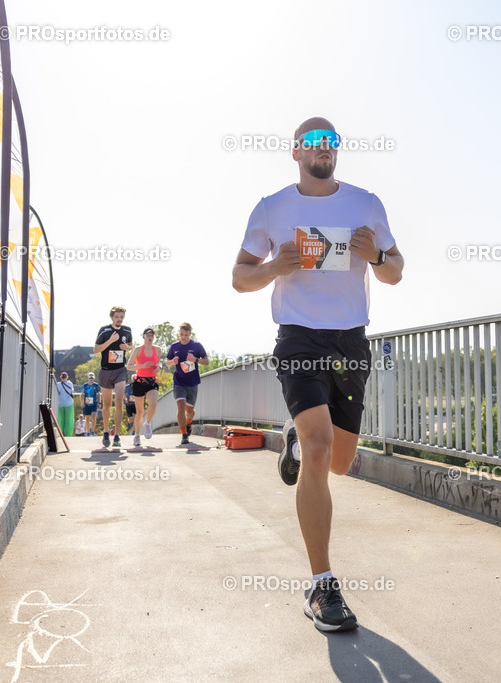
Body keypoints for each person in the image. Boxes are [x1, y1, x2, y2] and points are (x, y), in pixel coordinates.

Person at [231, 117, 404, 633]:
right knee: (322, 445)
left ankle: (295, 440)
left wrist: (377, 257)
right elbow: (239, 277)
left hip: (351, 341)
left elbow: (396, 269)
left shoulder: (366, 203)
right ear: (295, 152)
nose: (323, 148)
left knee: (340, 463)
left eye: (331, 141)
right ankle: (322, 586)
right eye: (313, 141)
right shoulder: (272, 208)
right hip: (300, 337)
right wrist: (272, 269)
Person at [94, 306, 133, 448]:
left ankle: (116, 435)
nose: (119, 319)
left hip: (120, 370)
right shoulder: (104, 330)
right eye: (117, 317)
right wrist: (110, 341)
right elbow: (96, 349)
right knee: (106, 404)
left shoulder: (127, 330)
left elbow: (130, 345)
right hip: (106, 370)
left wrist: (127, 348)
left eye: (121, 317)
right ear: (112, 317)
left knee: (119, 402)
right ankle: (105, 431)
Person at [165, 322, 208, 446]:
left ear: (190, 334)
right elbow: (167, 362)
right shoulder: (174, 346)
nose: (183, 337)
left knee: (190, 411)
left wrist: (195, 359)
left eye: (186, 335)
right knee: (181, 406)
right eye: (181, 334)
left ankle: (189, 423)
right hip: (179, 382)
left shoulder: (196, 346)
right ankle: (184, 435)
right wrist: (172, 361)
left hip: (192, 382)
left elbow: (206, 361)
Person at [126, 327, 161, 447]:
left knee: (153, 404)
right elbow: (129, 366)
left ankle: (148, 423)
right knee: (139, 411)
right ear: (143, 337)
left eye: (152, 335)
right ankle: (136, 435)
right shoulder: (137, 350)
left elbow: (158, 364)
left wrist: (158, 368)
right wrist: (143, 365)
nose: (150, 337)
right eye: (148, 335)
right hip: (139, 382)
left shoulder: (158, 349)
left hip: (151, 381)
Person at [55, 372, 75, 438]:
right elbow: (72, 392)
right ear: (67, 377)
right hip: (69, 403)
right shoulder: (70, 383)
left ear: (61, 377)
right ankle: (68, 433)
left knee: (60, 418)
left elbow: (57, 392)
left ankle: (60, 432)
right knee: (69, 418)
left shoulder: (58, 384)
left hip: (60, 403)